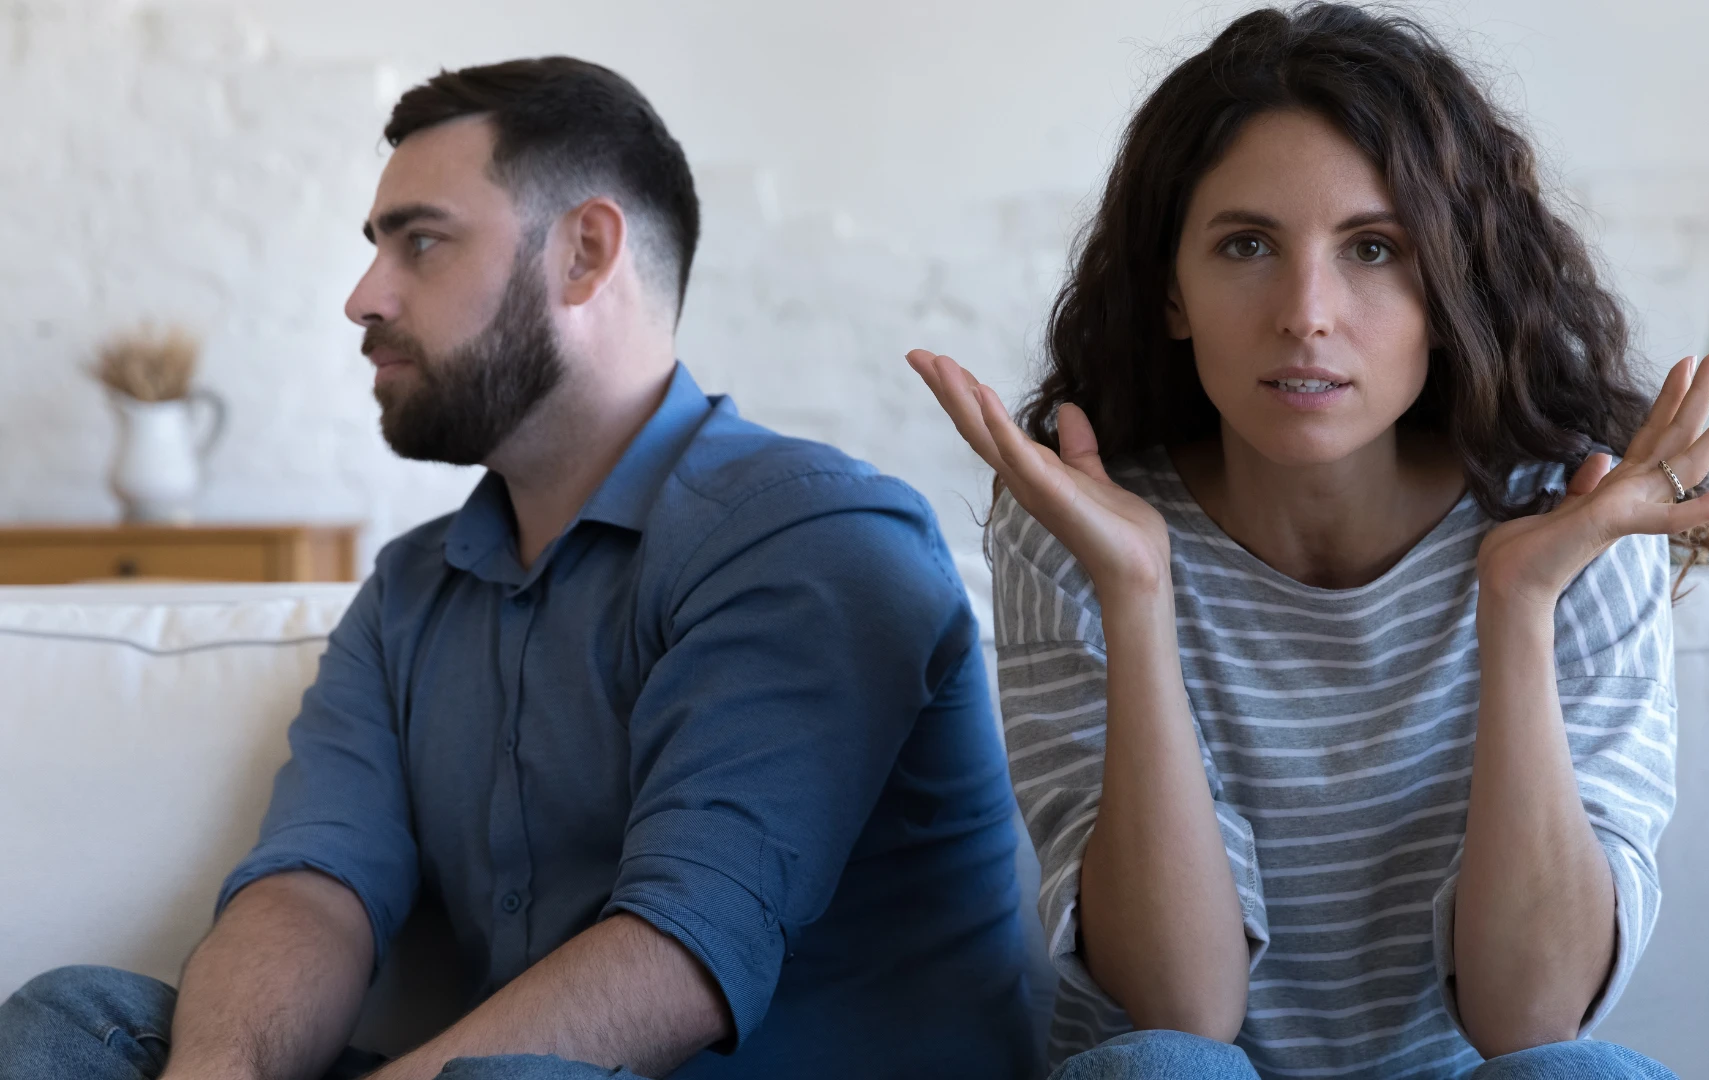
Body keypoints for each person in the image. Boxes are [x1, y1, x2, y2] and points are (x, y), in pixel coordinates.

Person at [0, 57, 1034, 1080]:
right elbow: (314, 888)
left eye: (421, 242)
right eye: (376, 248)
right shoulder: (413, 590)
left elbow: (680, 956)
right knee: (79, 1019)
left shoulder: (811, 538)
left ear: (584, 252)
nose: (363, 297)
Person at [909, 4, 1709, 1078]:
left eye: (1373, 250)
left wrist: (1519, 603)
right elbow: (1180, 1007)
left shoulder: (1577, 519)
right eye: (1248, 244)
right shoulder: (1080, 524)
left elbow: (1532, 1015)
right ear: (1174, 289)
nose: (1307, 312)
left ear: (1447, 290)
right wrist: (1135, 586)